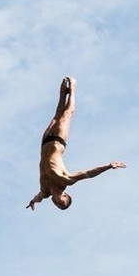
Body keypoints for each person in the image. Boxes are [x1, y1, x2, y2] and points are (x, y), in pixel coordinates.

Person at [27, 76, 126, 211]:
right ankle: (72, 89)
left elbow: (38, 197)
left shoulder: (45, 191)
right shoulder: (65, 180)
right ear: (65, 195)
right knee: (67, 114)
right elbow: (88, 173)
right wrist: (109, 166)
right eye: (61, 202)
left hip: (45, 142)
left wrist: (33, 201)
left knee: (57, 116)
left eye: (57, 205)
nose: (56, 203)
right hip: (58, 140)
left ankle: (63, 92)